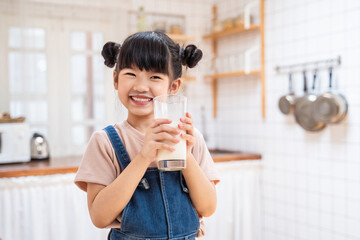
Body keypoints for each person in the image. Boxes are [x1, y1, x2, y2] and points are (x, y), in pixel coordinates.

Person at [74, 31, 220, 240]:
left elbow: (207, 208)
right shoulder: (105, 142)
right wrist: (143, 157)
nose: (141, 86)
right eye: (131, 74)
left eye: (155, 77)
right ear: (116, 80)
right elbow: (99, 217)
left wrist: (185, 156)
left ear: (173, 87)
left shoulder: (190, 138)